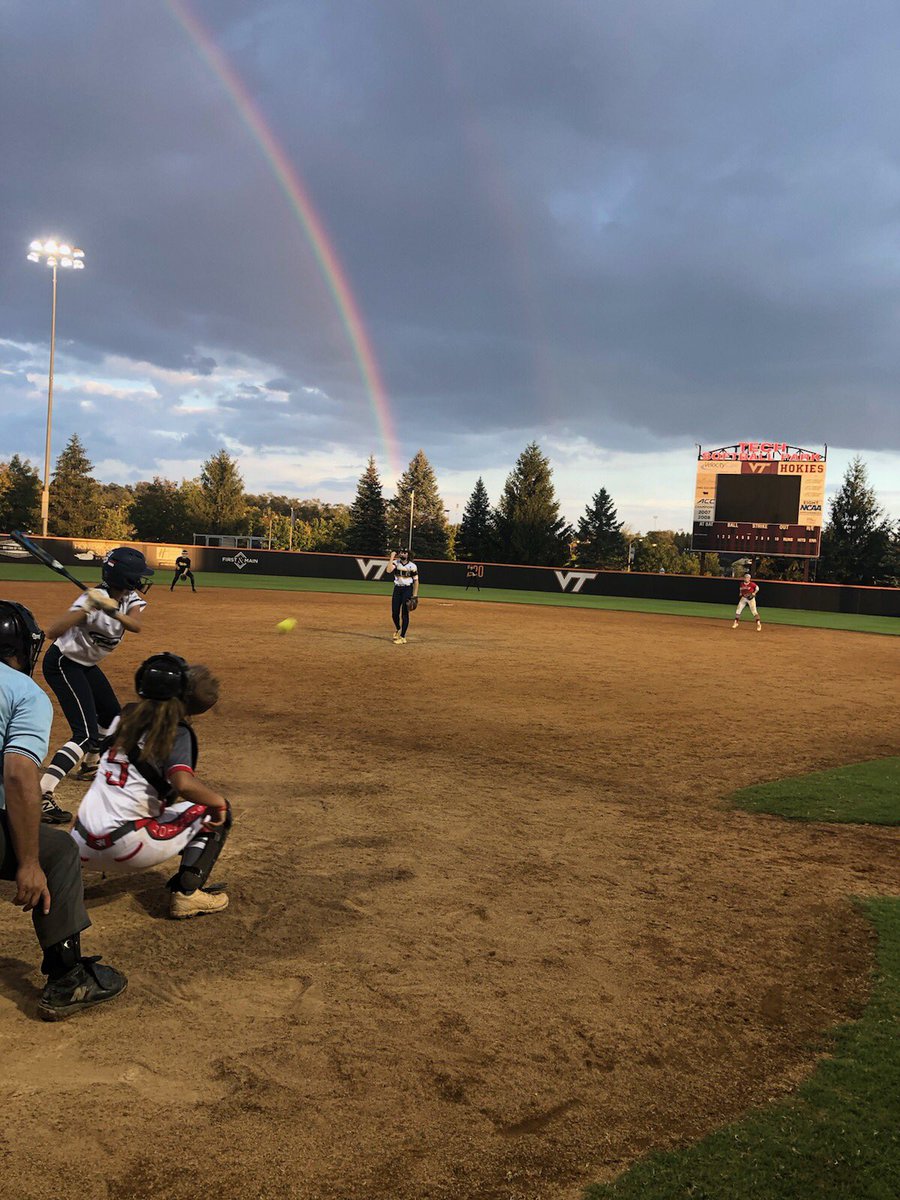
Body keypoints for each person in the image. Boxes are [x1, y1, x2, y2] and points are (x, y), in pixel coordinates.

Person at [0, 600, 127, 1020]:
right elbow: (18, 777)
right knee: (57, 852)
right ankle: (68, 977)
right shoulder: (24, 693)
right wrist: (28, 863)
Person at [72, 653, 231, 920]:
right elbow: (183, 784)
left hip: (79, 847)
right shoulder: (177, 731)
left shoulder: (123, 717)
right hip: (130, 847)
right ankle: (187, 893)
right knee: (213, 809)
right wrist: (218, 803)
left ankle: (67, 884)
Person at [39, 546, 153, 825]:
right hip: (64, 663)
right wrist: (88, 607)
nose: (141, 581)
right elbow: (52, 632)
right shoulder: (89, 599)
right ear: (126, 578)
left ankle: (90, 764)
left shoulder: (130, 598)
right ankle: (41, 793)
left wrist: (113, 611)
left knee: (111, 715)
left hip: (86, 665)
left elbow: (135, 625)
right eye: (137, 576)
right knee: (85, 733)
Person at [386, 547, 419, 644]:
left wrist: (415, 595)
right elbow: (388, 570)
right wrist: (392, 557)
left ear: (408, 554)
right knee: (394, 613)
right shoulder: (396, 563)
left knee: (405, 613)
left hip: (407, 589)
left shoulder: (412, 566)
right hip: (397, 589)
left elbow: (416, 581)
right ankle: (398, 628)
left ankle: (403, 636)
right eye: (401, 552)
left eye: (405, 552)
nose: (403, 554)